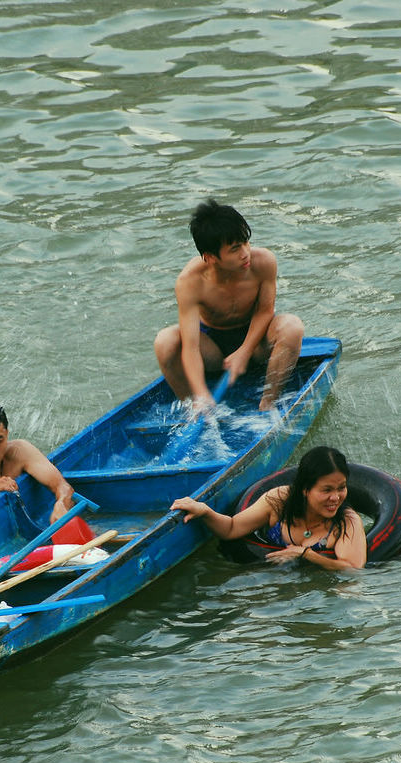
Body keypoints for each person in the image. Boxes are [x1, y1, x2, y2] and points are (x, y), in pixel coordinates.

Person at [154, 200, 304, 413]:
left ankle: (268, 403)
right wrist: (200, 392)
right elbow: (191, 346)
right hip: (214, 349)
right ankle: (196, 408)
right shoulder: (190, 282)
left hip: (256, 343)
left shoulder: (263, 262)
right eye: (235, 249)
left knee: (292, 327)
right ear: (210, 257)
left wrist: (244, 351)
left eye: (246, 242)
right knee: (165, 342)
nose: (245, 253)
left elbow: (264, 311)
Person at [170, 446, 367, 570]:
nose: (336, 497)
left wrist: (306, 555)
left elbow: (352, 569)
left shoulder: (347, 521)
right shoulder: (279, 500)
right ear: (306, 489)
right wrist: (205, 511)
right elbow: (231, 528)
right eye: (326, 490)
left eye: (341, 488)